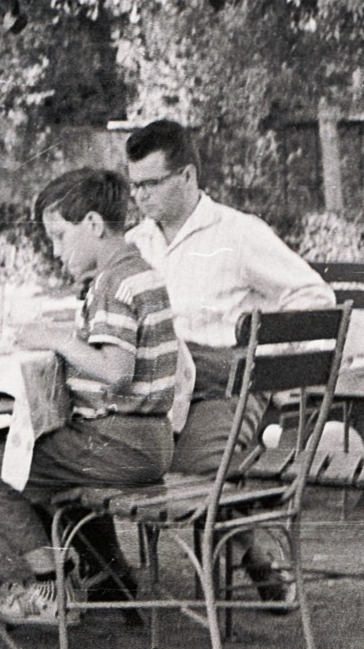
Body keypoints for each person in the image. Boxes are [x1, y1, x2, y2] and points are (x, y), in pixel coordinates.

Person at [123, 119, 334, 599]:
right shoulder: (137, 244)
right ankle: (105, 578)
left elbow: (313, 296)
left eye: (151, 184)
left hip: (226, 383)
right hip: (157, 385)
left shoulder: (238, 233)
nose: (141, 197)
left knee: (199, 469)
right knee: (113, 456)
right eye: (135, 186)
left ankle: (255, 556)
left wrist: (261, 358)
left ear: (189, 177)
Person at [0, 169, 178, 627]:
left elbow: (115, 371)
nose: (55, 249)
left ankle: (52, 587)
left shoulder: (113, 285)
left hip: (118, 441)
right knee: (40, 455)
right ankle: (107, 571)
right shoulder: (138, 273)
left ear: (92, 224)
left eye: (59, 236)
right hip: (146, 440)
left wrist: (58, 339)